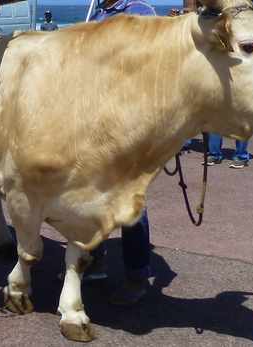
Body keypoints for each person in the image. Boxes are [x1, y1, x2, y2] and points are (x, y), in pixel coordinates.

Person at [86, 0, 156, 306]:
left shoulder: (141, 11)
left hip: (129, 122)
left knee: (131, 202)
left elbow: (150, 66)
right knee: (92, 195)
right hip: (97, 120)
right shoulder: (98, 11)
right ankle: (95, 261)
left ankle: (137, 276)